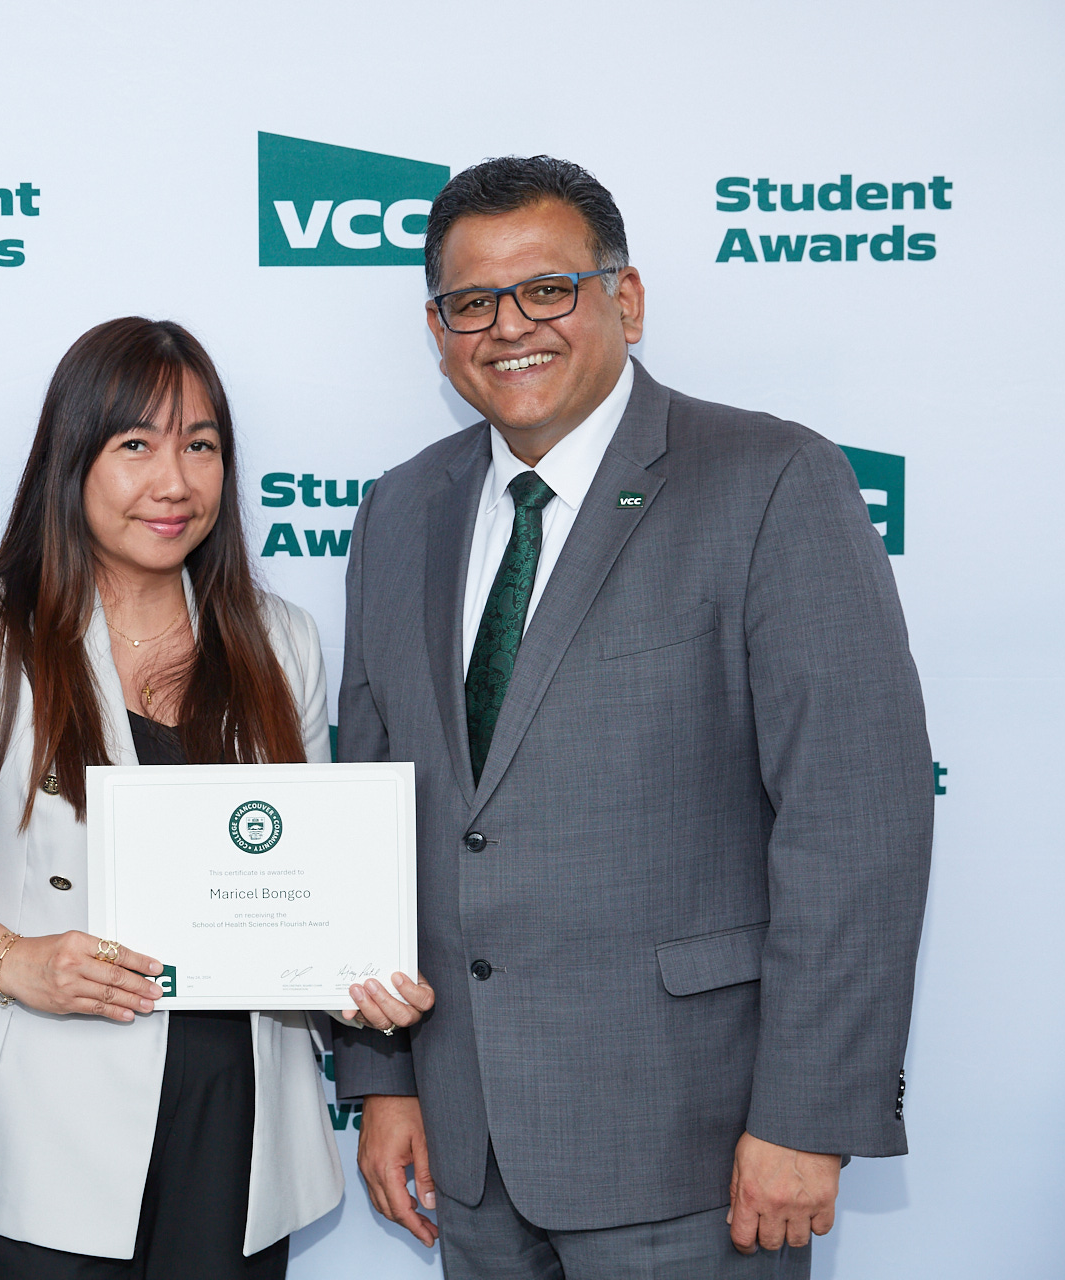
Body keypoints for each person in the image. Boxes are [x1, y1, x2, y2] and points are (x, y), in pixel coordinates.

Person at [331, 154, 934, 1278]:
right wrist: (384, 1079)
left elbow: (855, 817)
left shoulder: (772, 478)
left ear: (627, 297)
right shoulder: (399, 509)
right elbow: (375, 809)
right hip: (469, 1149)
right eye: (472, 301)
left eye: (548, 287)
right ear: (439, 326)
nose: (510, 325)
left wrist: (808, 1113)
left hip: (698, 1149)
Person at [0, 317, 433, 1280]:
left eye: (201, 446)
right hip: (35, 1123)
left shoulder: (280, 640)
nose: (175, 482)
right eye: (135, 446)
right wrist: (12, 959)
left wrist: (358, 976)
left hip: (240, 1125)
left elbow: (313, 869)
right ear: (70, 461)